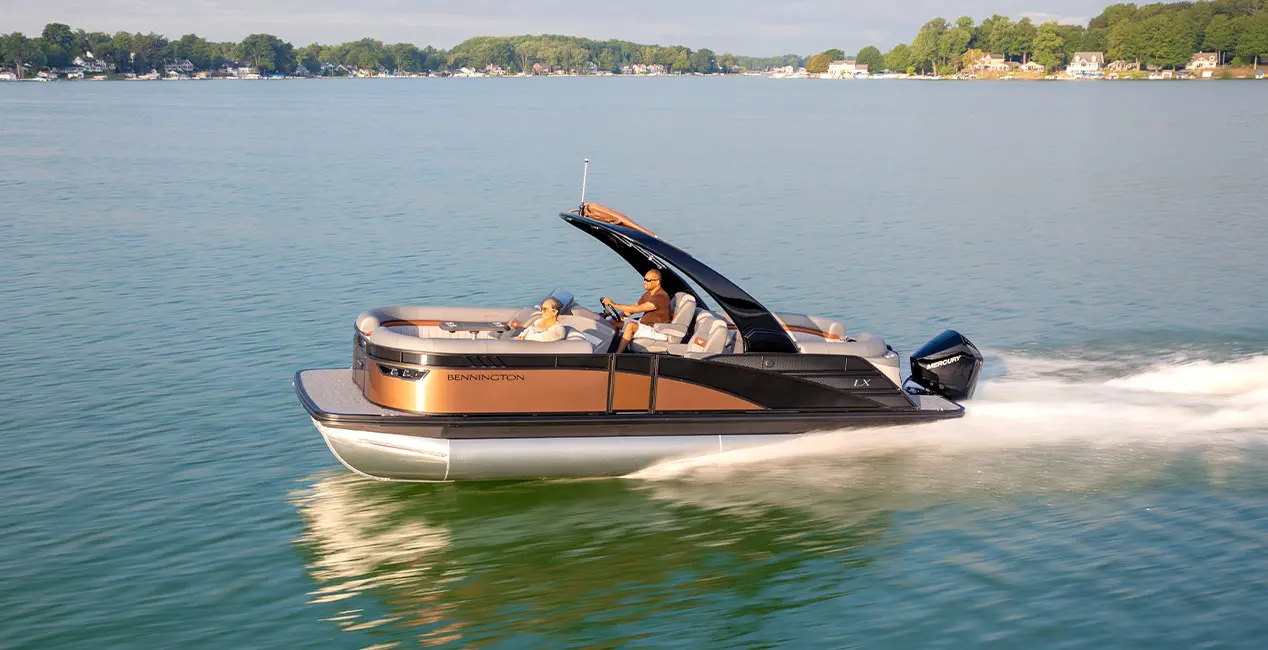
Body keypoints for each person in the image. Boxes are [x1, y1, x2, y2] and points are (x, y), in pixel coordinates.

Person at [602, 269, 672, 353]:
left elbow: (638, 309)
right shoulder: (648, 294)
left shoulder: (661, 296)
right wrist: (618, 316)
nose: (644, 282)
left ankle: (617, 355)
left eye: (648, 280)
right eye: (644, 279)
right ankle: (606, 348)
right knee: (614, 321)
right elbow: (633, 309)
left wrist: (614, 305)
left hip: (657, 330)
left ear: (657, 282)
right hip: (644, 325)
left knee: (631, 326)